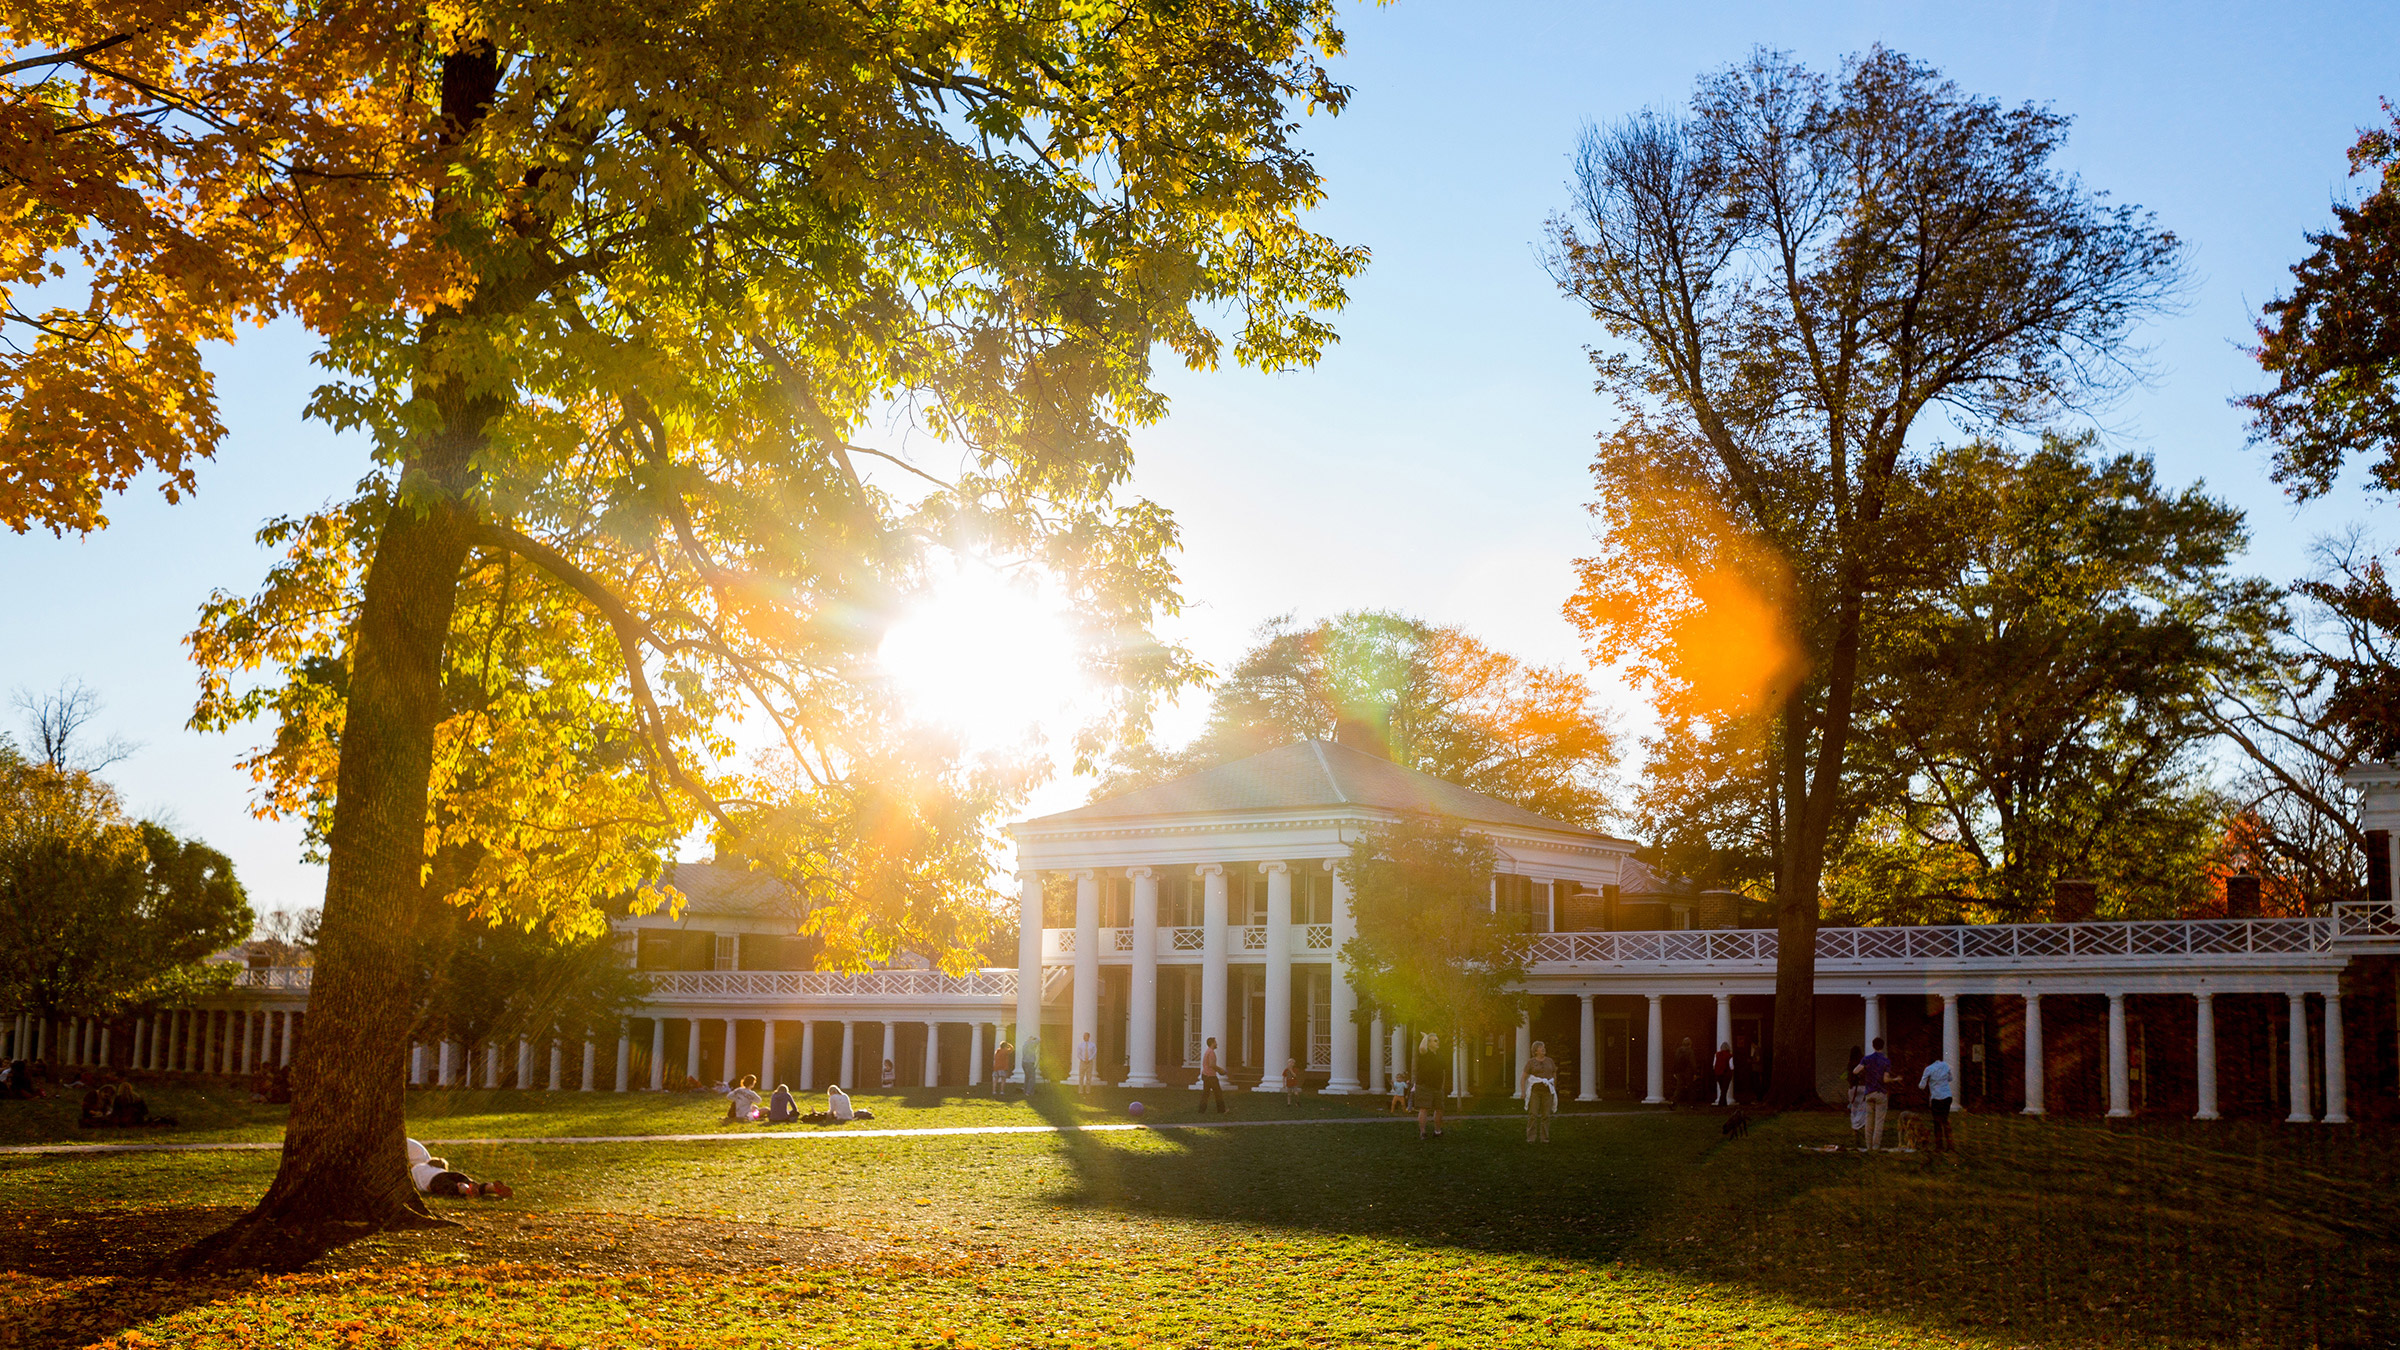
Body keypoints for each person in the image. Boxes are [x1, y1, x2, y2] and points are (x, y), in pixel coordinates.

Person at [406, 1138, 511, 1199]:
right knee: (473, 1184)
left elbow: (414, 1184)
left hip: (435, 1182)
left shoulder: (416, 1170)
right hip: (451, 1174)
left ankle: (466, 1189)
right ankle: (491, 1187)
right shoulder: (433, 1168)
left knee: (455, 1188)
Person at [1858, 1036, 1893, 1152]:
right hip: (1881, 1093)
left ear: (1873, 1046)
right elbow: (1886, 1080)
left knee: (1869, 1121)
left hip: (1869, 1093)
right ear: (1882, 1046)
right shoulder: (1886, 1061)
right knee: (1879, 1121)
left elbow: (1855, 1070)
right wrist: (1896, 1079)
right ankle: (1876, 1146)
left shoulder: (1866, 1059)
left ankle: (1868, 1147)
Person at [1917, 1049, 1956, 1152]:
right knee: (1945, 1120)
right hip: (1947, 1096)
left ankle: (1939, 1146)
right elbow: (1950, 1078)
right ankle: (1950, 1145)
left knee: (1937, 1122)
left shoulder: (1928, 1069)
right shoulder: (1945, 1065)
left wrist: (1930, 1081)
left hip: (1936, 1098)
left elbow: (1922, 1086)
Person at [1520, 1040, 1559, 1143]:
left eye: (1544, 1047)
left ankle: (1544, 1138)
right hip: (1535, 1092)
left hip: (1547, 1092)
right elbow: (1524, 1077)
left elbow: (1554, 1074)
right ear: (1536, 1050)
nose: (1543, 1049)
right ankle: (1531, 1138)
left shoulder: (1550, 1061)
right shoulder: (1531, 1062)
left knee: (1546, 1115)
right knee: (1533, 1114)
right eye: (1541, 1047)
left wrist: (1554, 1088)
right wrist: (1523, 1092)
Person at [1413, 1032, 1447, 1139]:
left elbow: (1443, 1071)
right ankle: (1423, 1132)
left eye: (1438, 1040)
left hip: (1437, 1087)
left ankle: (1437, 1131)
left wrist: (1442, 1085)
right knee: (1424, 1109)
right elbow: (1422, 1047)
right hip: (1424, 1085)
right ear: (1429, 1043)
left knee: (1439, 1109)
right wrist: (1426, 1037)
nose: (1438, 1042)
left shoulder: (1440, 1055)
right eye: (1435, 1041)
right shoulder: (1425, 1053)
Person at [1195, 1036, 1227, 1114]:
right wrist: (1220, 1070)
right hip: (1211, 1076)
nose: (1217, 1044)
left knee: (1205, 1094)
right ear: (1212, 1043)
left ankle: (1201, 1110)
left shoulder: (1207, 1051)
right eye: (1215, 1042)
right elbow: (1212, 1065)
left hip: (1205, 1075)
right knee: (1218, 1093)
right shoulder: (1211, 1052)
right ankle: (1221, 1110)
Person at [1672, 1037, 1697, 1108]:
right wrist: (1695, 1073)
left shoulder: (1678, 1050)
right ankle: (1692, 1104)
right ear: (1690, 1044)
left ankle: (1673, 1102)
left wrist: (1675, 1072)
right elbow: (1692, 1063)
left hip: (1679, 1072)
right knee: (1691, 1088)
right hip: (1688, 1072)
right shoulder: (1690, 1051)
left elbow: (1675, 1061)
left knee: (1678, 1088)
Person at [1713, 1041, 1736, 1107]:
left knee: (1722, 1089)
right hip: (1726, 1074)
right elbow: (1731, 1066)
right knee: (1724, 1090)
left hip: (1718, 1074)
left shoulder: (1716, 1054)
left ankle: (1724, 1103)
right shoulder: (1729, 1055)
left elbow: (1714, 1065)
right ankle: (1721, 1103)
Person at [1075, 1033, 1098, 1098]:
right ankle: (1080, 1091)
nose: (1084, 1037)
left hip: (1090, 1062)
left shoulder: (1092, 1045)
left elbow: (1094, 1052)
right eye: (1084, 1036)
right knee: (1081, 1077)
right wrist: (1083, 1059)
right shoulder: (1080, 1045)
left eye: (1086, 1036)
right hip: (1082, 1062)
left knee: (1088, 1077)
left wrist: (1089, 1059)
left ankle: (1088, 1091)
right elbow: (1078, 1053)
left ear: (1089, 1037)